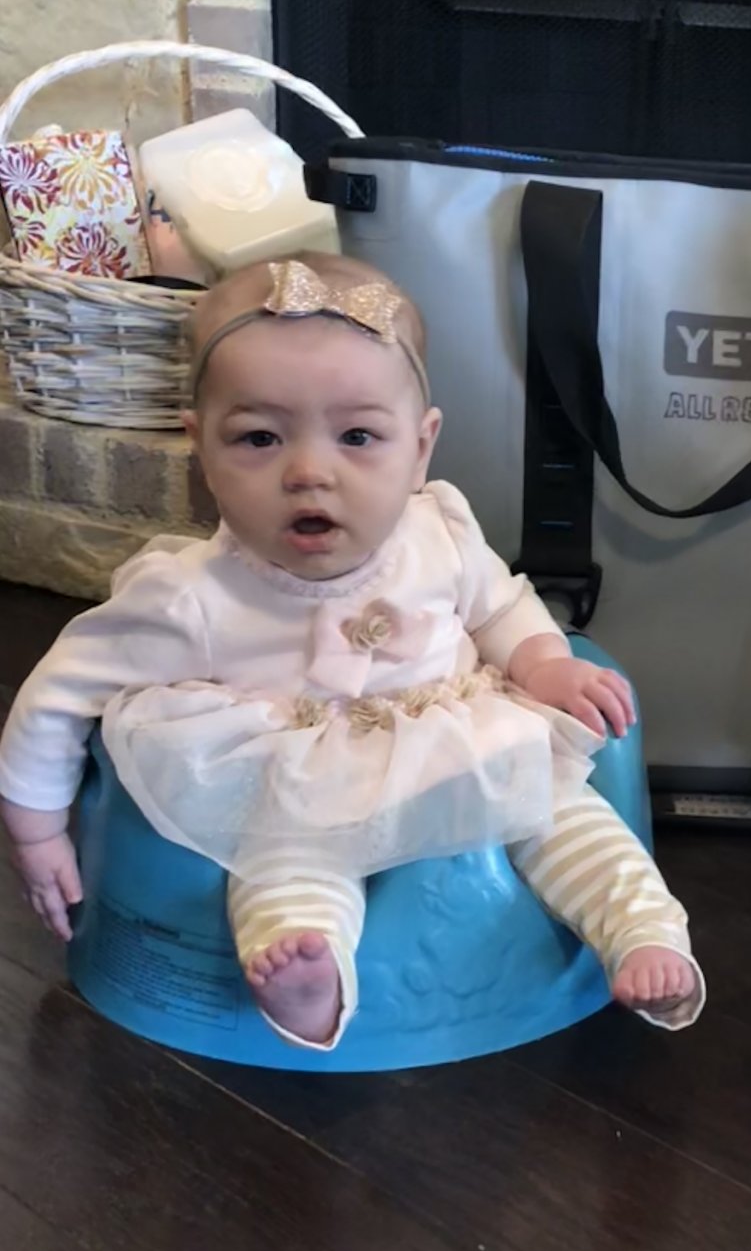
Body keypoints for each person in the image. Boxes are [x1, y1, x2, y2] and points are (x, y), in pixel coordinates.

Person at [0, 253, 703, 1051]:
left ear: (421, 446)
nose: (309, 472)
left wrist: (543, 665)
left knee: (567, 815)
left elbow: (502, 606)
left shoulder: (437, 532)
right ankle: (309, 984)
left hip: (458, 746)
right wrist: (35, 828)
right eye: (259, 437)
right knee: (284, 874)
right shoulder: (188, 596)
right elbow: (59, 691)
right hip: (299, 783)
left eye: (359, 436)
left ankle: (641, 932)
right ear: (200, 447)